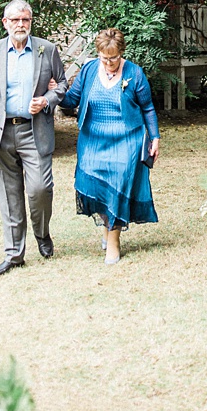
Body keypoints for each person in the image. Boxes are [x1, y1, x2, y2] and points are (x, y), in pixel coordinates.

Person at [0, 0, 66, 276]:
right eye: (16, 20)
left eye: (26, 20)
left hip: (34, 131)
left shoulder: (46, 49)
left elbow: (63, 84)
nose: (21, 25)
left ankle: (42, 234)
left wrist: (46, 99)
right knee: (9, 197)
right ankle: (14, 254)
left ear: (31, 22)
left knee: (40, 189)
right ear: (5, 23)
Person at [58, 28, 160, 264]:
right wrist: (55, 92)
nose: (109, 63)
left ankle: (113, 242)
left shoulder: (134, 73)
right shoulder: (89, 69)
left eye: (113, 58)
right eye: (104, 58)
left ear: (121, 53)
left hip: (126, 140)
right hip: (93, 140)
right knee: (95, 184)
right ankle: (107, 227)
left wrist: (155, 137)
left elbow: (148, 108)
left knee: (117, 185)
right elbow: (72, 99)